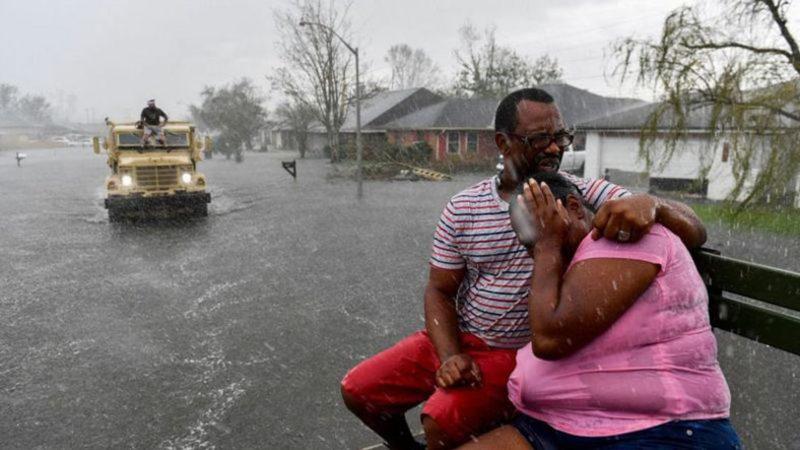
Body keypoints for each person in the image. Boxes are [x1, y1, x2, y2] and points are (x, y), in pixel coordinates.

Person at [340, 88, 708, 450]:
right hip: (460, 337)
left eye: (561, 136)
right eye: (540, 138)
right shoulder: (463, 207)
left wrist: (654, 205)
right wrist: (451, 354)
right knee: (359, 391)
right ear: (503, 142)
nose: (555, 147)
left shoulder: (574, 194)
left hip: (516, 353)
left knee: (440, 419)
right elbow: (440, 290)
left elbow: (695, 230)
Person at [459, 172, 741, 450]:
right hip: (554, 425)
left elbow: (551, 338)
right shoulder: (570, 258)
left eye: (542, 227)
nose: (535, 250)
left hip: (659, 429)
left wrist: (547, 244)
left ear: (572, 207)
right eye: (528, 243)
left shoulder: (622, 235)